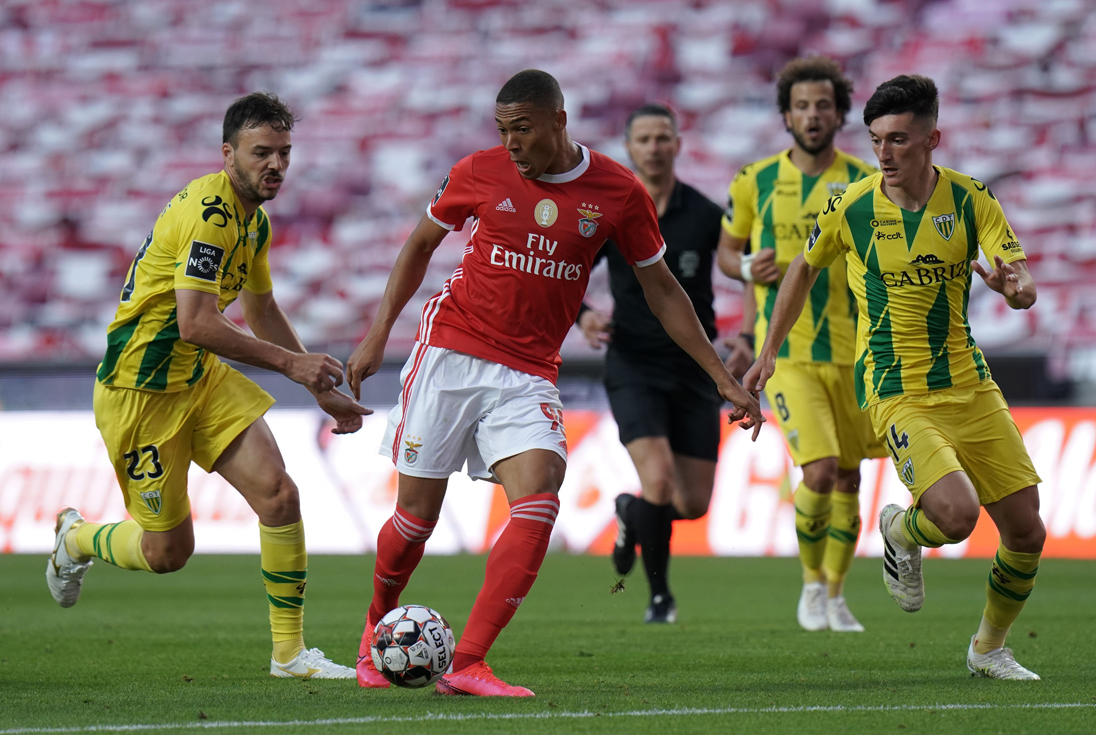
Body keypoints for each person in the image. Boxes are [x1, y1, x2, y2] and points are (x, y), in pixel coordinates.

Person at [346, 69, 764, 697]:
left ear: (558, 122)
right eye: (503, 130)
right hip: (451, 353)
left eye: (522, 129)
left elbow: (663, 291)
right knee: (415, 520)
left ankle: (466, 663)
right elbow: (420, 245)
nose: (511, 144)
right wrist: (379, 333)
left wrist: (721, 379)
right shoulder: (477, 172)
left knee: (540, 497)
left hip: (530, 370)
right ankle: (373, 635)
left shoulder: (618, 192)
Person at [46, 92, 370, 680]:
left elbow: (262, 306)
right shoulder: (211, 216)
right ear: (228, 154)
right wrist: (292, 366)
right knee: (167, 553)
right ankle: (78, 537)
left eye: (284, 153)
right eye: (261, 153)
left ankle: (290, 655)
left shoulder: (255, 222)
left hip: (198, 375)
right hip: (140, 392)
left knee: (279, 495)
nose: (275, 165)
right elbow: (195, 321)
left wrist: (316, 386)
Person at [746, 74, 1045, 679]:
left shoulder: (969, 199)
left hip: (971, 384)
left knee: (1026, 531)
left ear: (933, 138)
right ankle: (901, 531)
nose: (884, 154)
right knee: (957, 518)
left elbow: (1016, 276)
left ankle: (989, 648)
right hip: (894, 389)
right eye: (877, 139)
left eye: (899, 140)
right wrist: (769, 351)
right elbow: (801, 269)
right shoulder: (851, 204)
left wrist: (1018, 291)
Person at [718, 57, 885, 632]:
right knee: (819, 469)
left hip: (854, 353)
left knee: (849, 476)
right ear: (786, 114)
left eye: (823, 105)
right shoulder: (754, 180)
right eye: (802, 106)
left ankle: (836, 594)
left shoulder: (868, 181)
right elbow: (726, 253)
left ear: (840, 113)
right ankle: (812, 587)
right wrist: (744, 263)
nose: (812, 116)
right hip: (786, 355)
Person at [575, 103, 725, 624]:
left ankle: (630, 514)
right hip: (633, 364)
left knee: (692, 504)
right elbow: (564, 270)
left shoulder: (707, 215)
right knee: (658, 481)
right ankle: (660, 596)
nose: (656, 147)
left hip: (693, 367)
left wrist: (750, 334)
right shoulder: (612, 213)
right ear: (631, 148)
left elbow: (744, 272)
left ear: (678, 144)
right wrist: (584, 315)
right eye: (645, 139)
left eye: (664, 137)